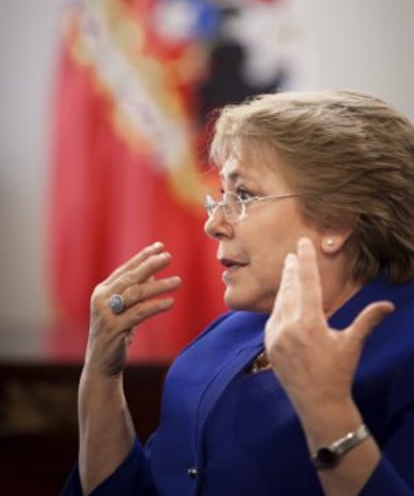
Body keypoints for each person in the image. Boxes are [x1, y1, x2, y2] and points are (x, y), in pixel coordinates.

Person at [60, 89, 414, 496]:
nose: (214, 224)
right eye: (221, 196)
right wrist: (101, 376)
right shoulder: (232, 330)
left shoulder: (404, 350)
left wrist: (327, 408)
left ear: (335, 221)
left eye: (243, 195)